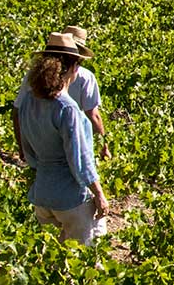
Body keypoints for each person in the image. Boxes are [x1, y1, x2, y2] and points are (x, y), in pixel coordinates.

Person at [13, 32, 107, 244]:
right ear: (73, 67)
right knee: (86, 253)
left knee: (53, 255)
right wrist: (99, 194)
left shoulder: (28, 102)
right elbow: (80, 160)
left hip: (41, 194)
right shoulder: (67, 108)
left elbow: (28, 151)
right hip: (71, 198)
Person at [16, 26, 107, 158]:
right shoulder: (85, 78)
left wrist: (23, 148)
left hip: (39, 146)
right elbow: (94, 116)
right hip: (72, 143)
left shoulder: (34, 75)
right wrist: (104, 147)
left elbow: (18, 111)